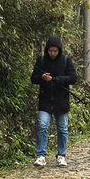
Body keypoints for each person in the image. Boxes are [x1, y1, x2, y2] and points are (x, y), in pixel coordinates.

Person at [31, 35, 77, 167]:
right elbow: (33, 78)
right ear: (47, 50)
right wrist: (41, 77)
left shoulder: (66, 61)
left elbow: (73, 78)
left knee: (62, 128)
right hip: (45, 99)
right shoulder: (41, 61)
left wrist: (57, 79)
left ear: (59, 50)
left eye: (55, 51)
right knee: (42, 125)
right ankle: (41, 155)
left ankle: (61, 155)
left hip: (61, 100)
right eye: (50, 50)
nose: (52, 53)